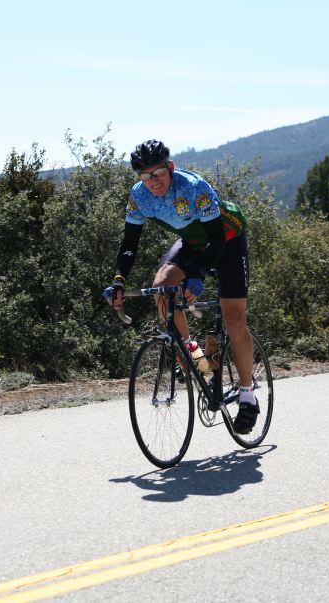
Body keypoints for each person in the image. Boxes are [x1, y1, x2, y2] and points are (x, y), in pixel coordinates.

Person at [104, 139, 258, 434]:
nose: (154, 181)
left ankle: (248, 394)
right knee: (162, 287)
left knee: (234, 319)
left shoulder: (192, 186)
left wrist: (199, 274)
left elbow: (215, 237)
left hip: (226, 239)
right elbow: (129, 244)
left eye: (158, 173)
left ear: (170, 168)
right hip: (194, 242)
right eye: (146, 176)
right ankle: (194, 358)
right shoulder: (139, 197)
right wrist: (119, 281)